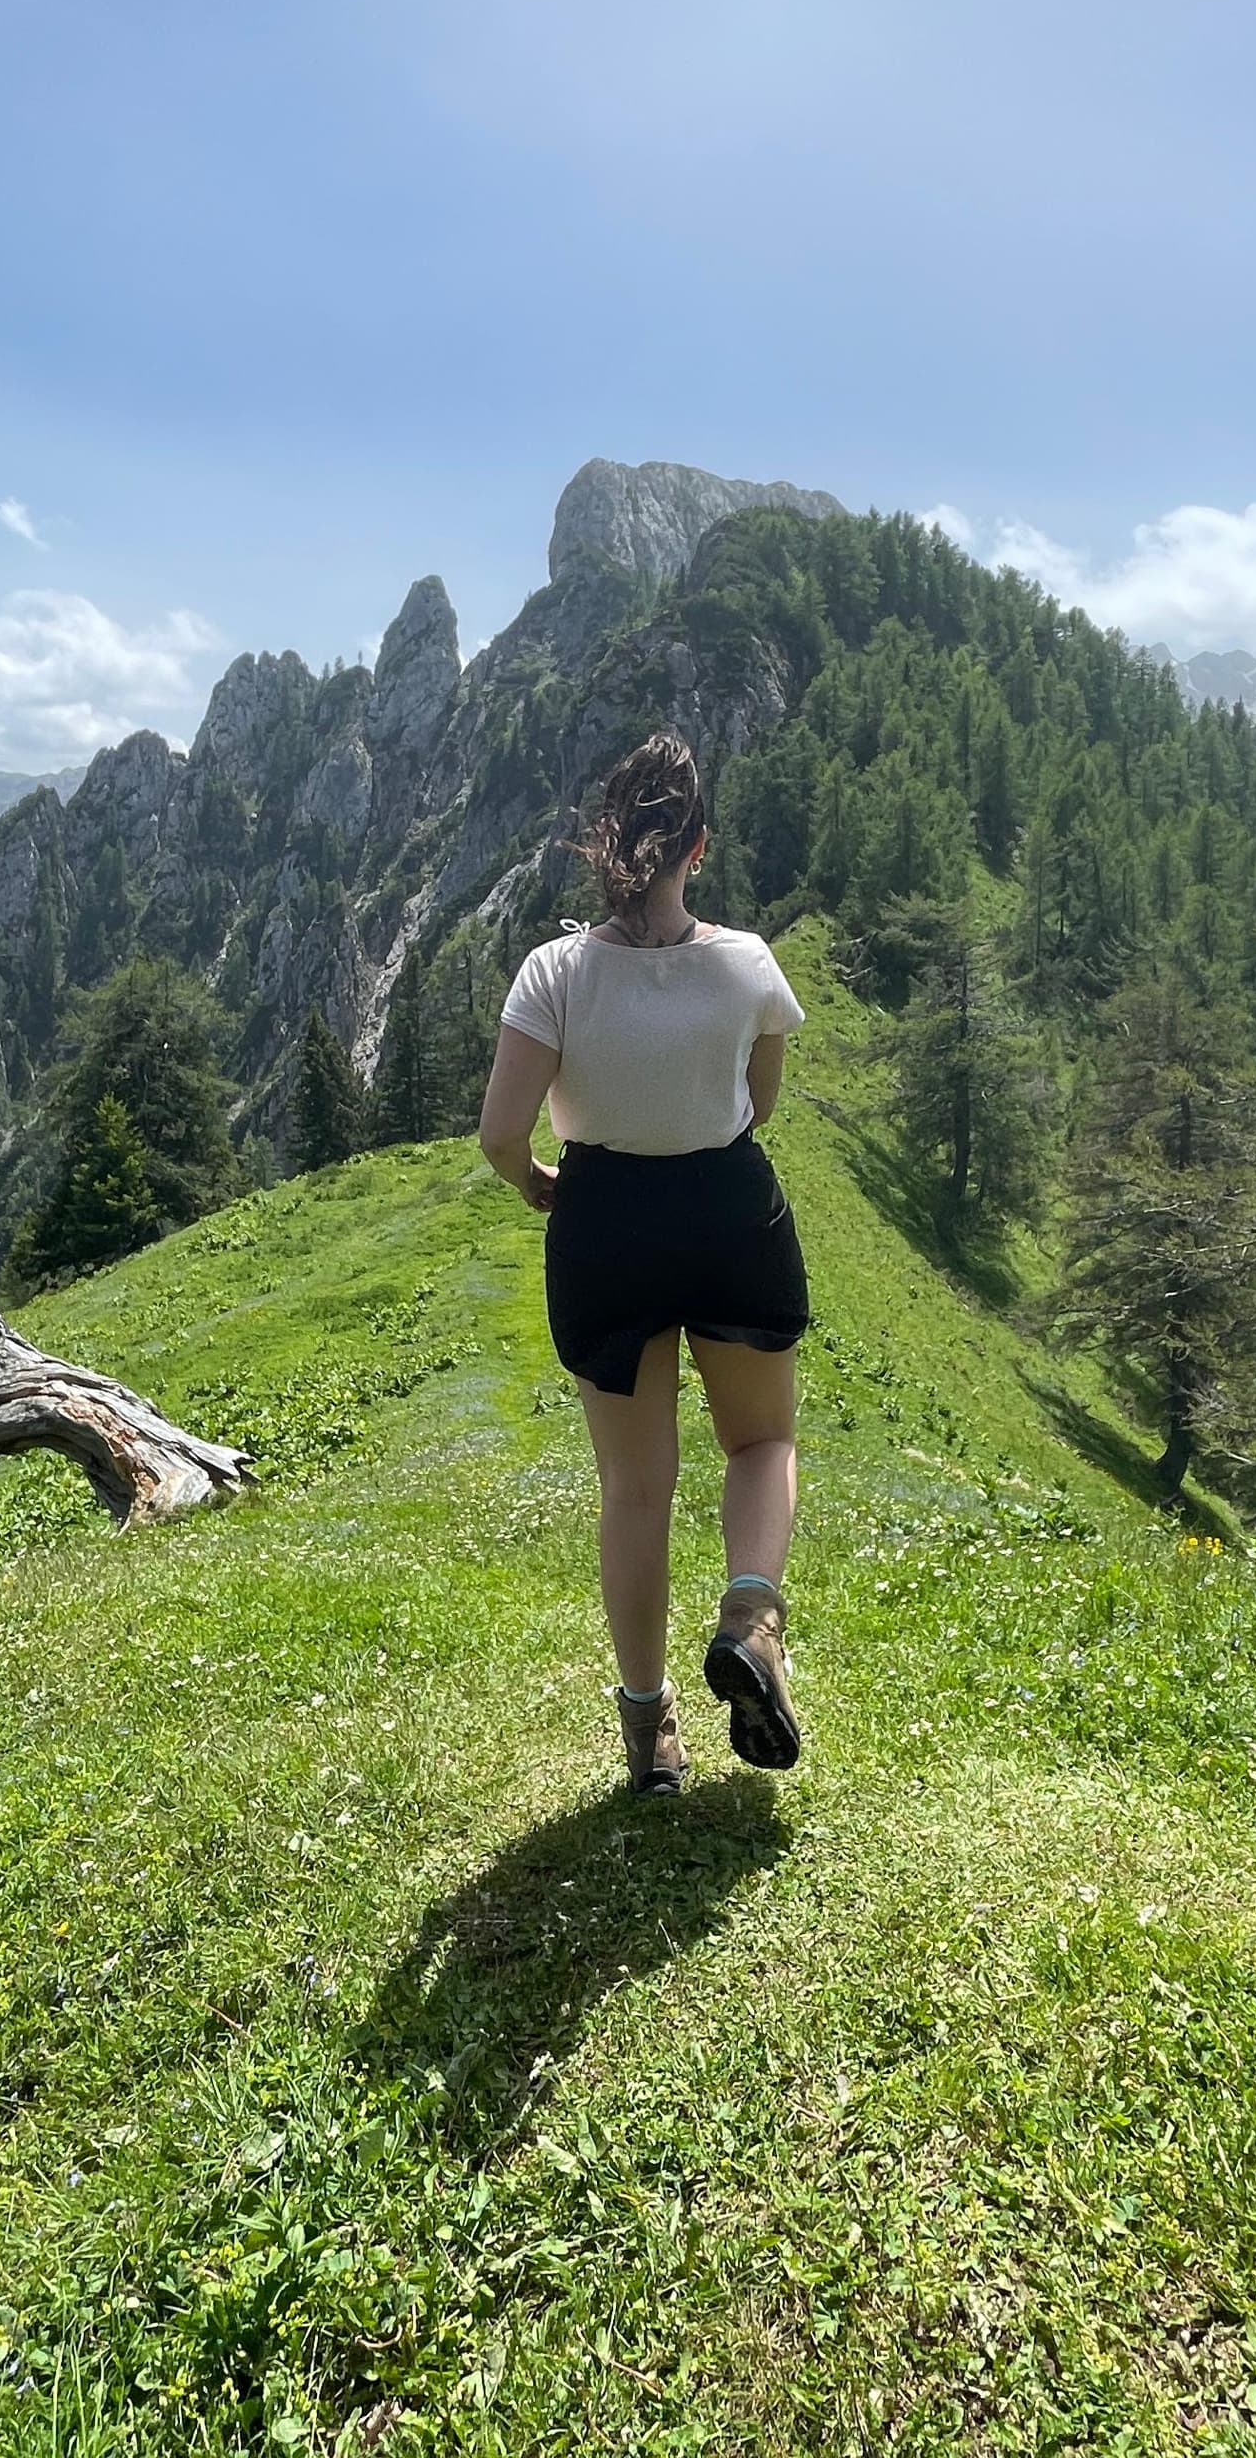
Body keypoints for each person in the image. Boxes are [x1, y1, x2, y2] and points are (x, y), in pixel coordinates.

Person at [477, 733, 812, 1795]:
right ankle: (752, 1617)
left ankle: (647, 1731)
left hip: (605, 1222)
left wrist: (542, 1184)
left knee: (635, 1490)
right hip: (725, 1211)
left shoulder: (555, 973)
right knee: (760, 1440)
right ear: (698, 848)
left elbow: (498, 1135)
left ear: (603, 846)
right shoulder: (749, 964)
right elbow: (758, 1106)